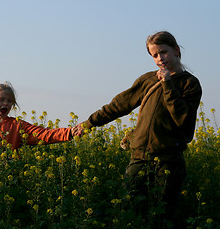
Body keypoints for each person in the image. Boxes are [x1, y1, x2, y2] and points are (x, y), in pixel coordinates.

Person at [73, 31, 202, 227]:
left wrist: (167, 84)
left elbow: (183, 119)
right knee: (130, 213)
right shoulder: (148, 80)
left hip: (169, 161)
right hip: (139, 157)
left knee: (162, 216)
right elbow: (118, 105)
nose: (160, 59)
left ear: (176, 50)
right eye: (154, 55)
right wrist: (89, 123)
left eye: (163, 52)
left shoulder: (189, 84)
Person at [0, 82, 74, 173]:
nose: (6, 103)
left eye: (9, 101)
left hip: (12, 178)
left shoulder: (17, 125)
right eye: (2, 99)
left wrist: (70, 132)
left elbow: (43, 134)